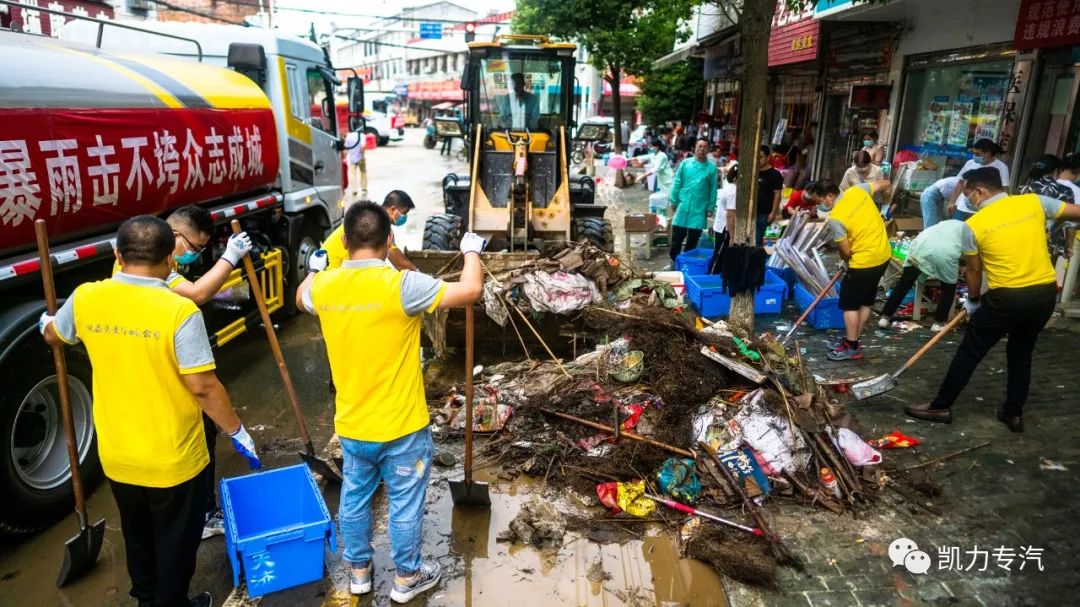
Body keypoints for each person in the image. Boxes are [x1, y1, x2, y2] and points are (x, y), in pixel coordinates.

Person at [42, 215, 259, 607]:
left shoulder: (87, 297)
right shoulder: (178, 312)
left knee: (138, 535)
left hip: (119, 456)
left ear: (117, 254)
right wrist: (237, 431)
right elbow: (203, 386)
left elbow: (54, 334)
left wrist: (48, 323)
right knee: (176, 541)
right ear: (170, 260)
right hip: (173, 460)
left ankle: (146, 599)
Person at [295, 202, 486, 603]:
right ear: (389, 239)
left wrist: (314, 268)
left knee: (354, 498)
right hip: (402, 428)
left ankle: (358, 572)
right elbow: (470, 291)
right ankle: (407, 577)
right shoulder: (402, 286)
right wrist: (471, 251)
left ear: (345, 241)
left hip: (352, 427)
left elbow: (300, 298)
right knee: (404, 504)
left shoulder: (324, 286)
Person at [110, 204, 252, 541]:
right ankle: (200, 514)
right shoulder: (153, 267)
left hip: (142, 364)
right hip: (162, 370)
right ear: (173, 235)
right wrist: (230, 257)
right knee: (199, 432)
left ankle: (186, 512)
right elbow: (197, 294)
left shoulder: (134, 258)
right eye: (194, 247)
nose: (194, 255)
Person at [904, 167, 1080, 432]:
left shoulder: (973, 226)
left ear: (980, 191)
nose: (970, 202)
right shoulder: (1034, 202)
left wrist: (973, 299)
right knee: (1021, 353)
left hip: (1006, 297)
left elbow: (973, 270)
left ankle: (940, 406)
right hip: (1044, 294)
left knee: (970, 351)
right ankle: (1013, 413)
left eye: (969, 196)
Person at [809, 179, 893, 361]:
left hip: (863, 263)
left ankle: (852, 346)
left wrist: (845, 261)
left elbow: (846, 251)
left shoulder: (836, 218)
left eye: (818, 201)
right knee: (865, 302)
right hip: (883, 255)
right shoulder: (858, 190)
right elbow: (886, 184)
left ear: (829, 196)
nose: (818, 206)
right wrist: (885, 208)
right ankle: (852, 339)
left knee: (850, 306)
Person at [877, 219, 964, 332]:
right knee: (949, 287)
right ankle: (938, 323)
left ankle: (885, 317)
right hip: (944, 253)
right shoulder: (969, 232)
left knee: (904, 283)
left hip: (919, 247)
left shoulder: (949, 223)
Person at [322, 191, 418, 272]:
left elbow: (396, 253)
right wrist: (419, 273)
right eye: (404, 213)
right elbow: (399, 263)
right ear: (393, 209)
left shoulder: (372, 218)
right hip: (332, 269)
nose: (405, 217)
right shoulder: (378, 224)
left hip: (329, 266)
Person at [668, 139, 718, 264]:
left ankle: (687, 261)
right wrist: (673, 200)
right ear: (694, 148)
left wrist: (710, 207)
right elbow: (677, 181)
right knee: (677, 236)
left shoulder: (711, 167)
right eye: (699, 146)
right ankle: (674, 260)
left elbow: (713, 189)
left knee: (693, 239)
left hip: (700, 207)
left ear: (708, 150)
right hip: (683, 204)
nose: (702, 149)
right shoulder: (685, 163)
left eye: (705, 147)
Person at [947, 138, 1009, 221]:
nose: (975, 157)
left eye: (977, 154)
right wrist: (952, 202)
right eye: (974, 153)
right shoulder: (970, 163)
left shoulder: (1001, 167)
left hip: (983, 210)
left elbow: (1003, 189)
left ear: (988, 153)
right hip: (962, 208)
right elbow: (960, 183)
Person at [709, 163, 738, 274]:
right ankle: (711, 277)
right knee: (719, 256)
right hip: (724, 229)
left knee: (720, 254)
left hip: (722, 227)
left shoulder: (730, 187)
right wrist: (732, 237)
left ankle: (715, 275)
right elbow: (730, 215)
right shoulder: (733, 192)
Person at [756, 145, 784, 245]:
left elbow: (777, 194)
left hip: (766, 214)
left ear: (768, 158)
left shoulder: (775, 174)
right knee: (755, 243)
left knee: (767, 244)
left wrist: (773, 213)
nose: (758, 160)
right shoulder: (753, 173)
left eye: (760, 157)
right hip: (753, 214)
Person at [640, 139, 674, 220]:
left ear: (657, 146)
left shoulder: (662, 156)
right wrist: (628, 159)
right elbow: (642, 157)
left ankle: (673, 218)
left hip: (668, 180)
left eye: (652, 146)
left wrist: (642, 176)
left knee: (672, 200)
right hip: (660, 181)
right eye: (650, 146)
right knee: (659, 200)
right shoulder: (653, 155)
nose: (650, 148)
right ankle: (661, 218)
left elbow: (655, 169)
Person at [343, 129, 368, 200]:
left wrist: (344, 157)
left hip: (352, 159)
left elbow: (346, 148)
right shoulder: (362, 135)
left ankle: (354, 190)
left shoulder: (349, 136)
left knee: (353, 174)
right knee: (363, 172)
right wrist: (362, 156)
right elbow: (363, 146)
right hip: (360, 157)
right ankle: (364, 188)